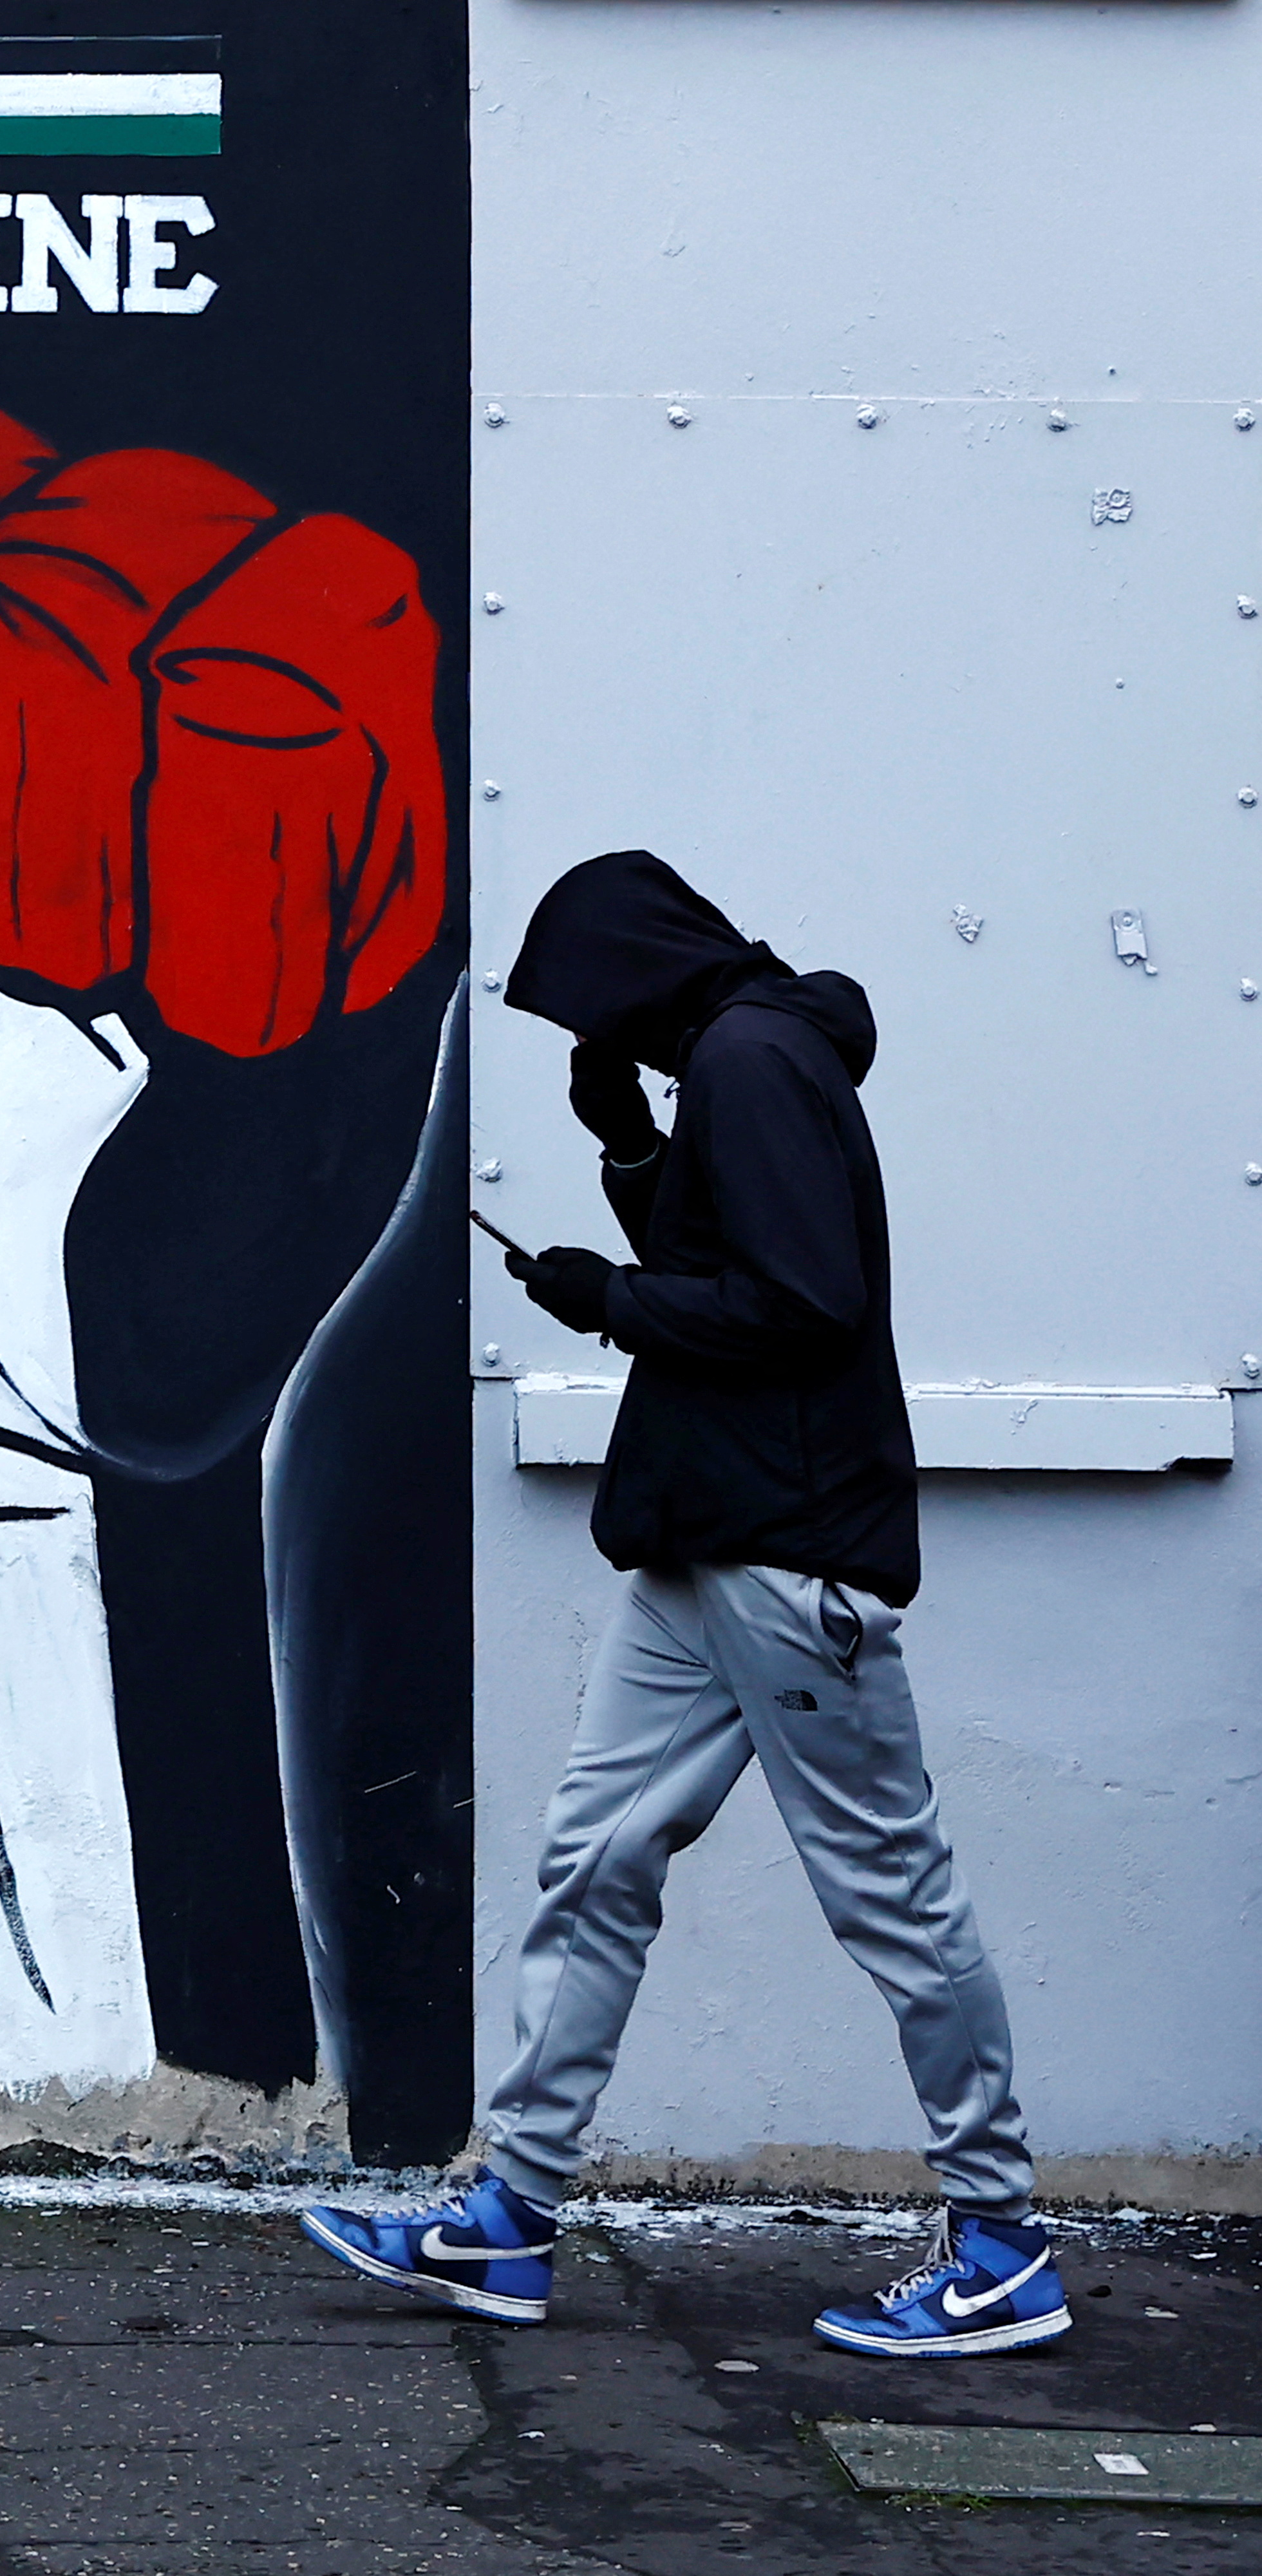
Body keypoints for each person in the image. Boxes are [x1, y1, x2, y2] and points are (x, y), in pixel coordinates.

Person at [298, 850, 1065, 2358]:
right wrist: (632, 1149)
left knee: (893, 1897)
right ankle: (506, 2221)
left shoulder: (753, 1059)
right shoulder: (733, 1059)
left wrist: (607, 1297)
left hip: (784, 1556)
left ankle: (1002, 2244)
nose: (594, 1037)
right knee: (594, 1861)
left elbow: (802, 1303)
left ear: (634, 970)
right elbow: (735, 1263)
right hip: (698, 1543)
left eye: (588, 1012)